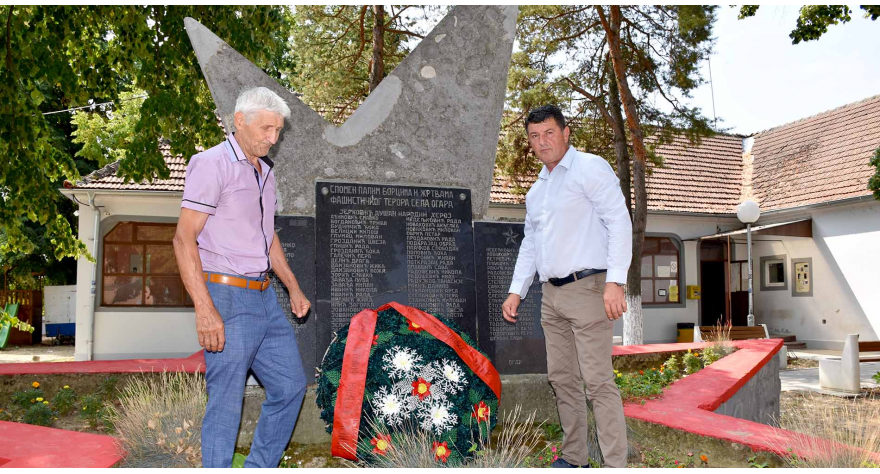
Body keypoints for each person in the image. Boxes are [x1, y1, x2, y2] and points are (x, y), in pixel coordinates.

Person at [173, 86, 311, 468]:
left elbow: (267, 238)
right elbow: (183, 239)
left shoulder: (265, 173)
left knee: (290, 386)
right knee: (227, 399)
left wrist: (293, 287)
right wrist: (204, 309)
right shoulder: (210, 164)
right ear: (239, 121)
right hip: (226, 295)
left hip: (265, 297)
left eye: (278, 130)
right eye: (266, 128)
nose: (273, 137)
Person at [501, 105, 632, 468]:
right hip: (551, 296)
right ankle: (575, 458)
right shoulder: (537, 190)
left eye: (549, 133)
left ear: (565, 132)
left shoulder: (590, 168)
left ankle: (615, 465)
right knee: (562, 380)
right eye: (534, 136)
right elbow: (531, 242)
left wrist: (615, 282)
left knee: (598, 383)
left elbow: (619, 223)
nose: (542, 142)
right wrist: (517, 290)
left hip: (589, 289)